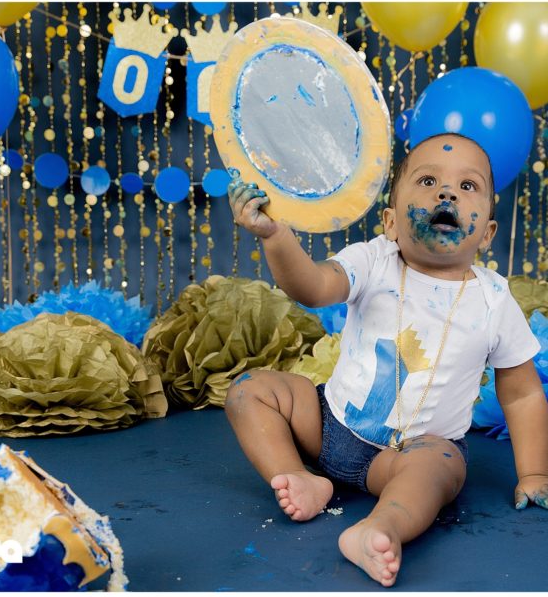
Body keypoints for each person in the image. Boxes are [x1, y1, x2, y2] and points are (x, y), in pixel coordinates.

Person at [225, 133, 548, 587]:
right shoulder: (375, 259)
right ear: (391, 221)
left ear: (487, 233)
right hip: (327, 424)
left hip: (405, 456)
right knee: (251, 390)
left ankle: (381, 527)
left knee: (440, 464)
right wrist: (276, 237)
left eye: (468, 186)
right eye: (428, 180)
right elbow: (313, 287)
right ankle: (297, 476)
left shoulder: (493, 300)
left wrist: (533, 472)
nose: (447, 193)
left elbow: (522, 394)